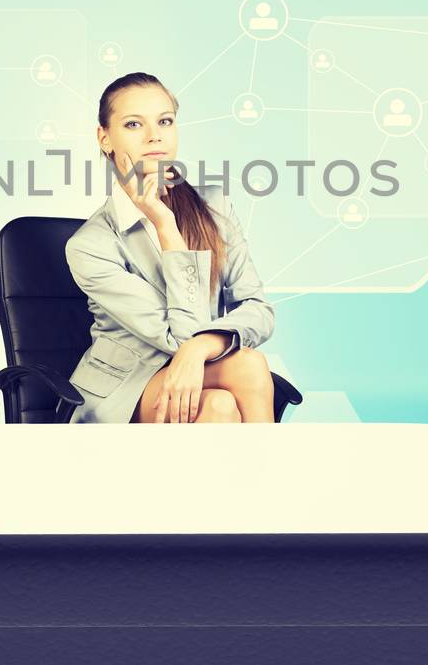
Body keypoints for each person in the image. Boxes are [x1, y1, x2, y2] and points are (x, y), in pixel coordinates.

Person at [65, 72, 277, 424]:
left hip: (205, 367)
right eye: (134, 124)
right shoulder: (90, 245)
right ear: (105, 138)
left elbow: (258, 309)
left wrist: (201, 347)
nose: (154, 136)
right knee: (248, 366)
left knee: (220, 406)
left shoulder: (214, 207)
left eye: (165, 121)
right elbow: (178, 338)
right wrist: (165, 225)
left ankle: (264, 478)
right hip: (127, 388)